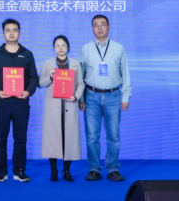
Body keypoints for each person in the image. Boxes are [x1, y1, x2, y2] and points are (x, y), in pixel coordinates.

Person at [0, 18, 39, 182]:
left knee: (20, 139)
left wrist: (28, 92)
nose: (11, 33)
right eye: (8, 30)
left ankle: (19, 171)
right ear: (3, 33)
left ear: (19, 33)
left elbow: (33, 78)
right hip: (2, 103)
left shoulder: (27, 54)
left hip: (21, 103)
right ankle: (1, 172)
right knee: (0, 139)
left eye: (14, 30)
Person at [78, 14, 132, 182]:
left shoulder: (118, 48)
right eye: (96, 25)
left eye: (103, 24)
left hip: (113, 96)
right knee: (92, 137)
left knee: (113, 136)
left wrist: (126, 96)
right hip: (91, 96)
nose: (99, 27)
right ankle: (94, 169)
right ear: (92, 29)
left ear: (108, 27)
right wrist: (81, 98)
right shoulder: (85, 49)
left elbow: (125, 73)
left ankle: (113, 168)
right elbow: (80, 76)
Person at [38, 34, 85, 182]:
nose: (60, 48)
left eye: (63, 45)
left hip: (69, 105)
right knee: (52, 138)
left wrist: (76, 97)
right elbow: (40, 83)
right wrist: (50, 77)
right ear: (54, 48)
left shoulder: (76, 64)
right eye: (57, 45)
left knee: (69, 138)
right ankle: (54, 170)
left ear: (68, 47)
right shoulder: (48, 63)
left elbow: (81, 84)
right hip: (53, 106)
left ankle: (66, 170)